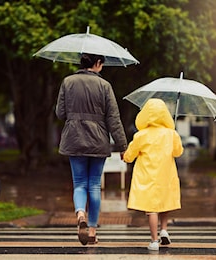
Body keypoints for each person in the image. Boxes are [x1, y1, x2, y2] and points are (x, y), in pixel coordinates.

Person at [55, 53, 127, 246]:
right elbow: (113, 119)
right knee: (94, 185)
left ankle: (80, 214)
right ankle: (93, 231)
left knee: (79, 183)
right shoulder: (105, 86)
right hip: (98, 140)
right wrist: (122, 146)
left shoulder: (67, 82)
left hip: (74, 139)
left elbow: (60, 113)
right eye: (101, 64)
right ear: (97, 63)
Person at [123, 98, 184, 251]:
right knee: (165, 203)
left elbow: (129, 156)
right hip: (166, 175)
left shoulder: (141, 135)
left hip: (147, 176)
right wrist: (175, 137)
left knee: (151, 208)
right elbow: (178, 152)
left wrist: (124, 156)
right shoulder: (171, 134)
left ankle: (154, 240)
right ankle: (164, 229)